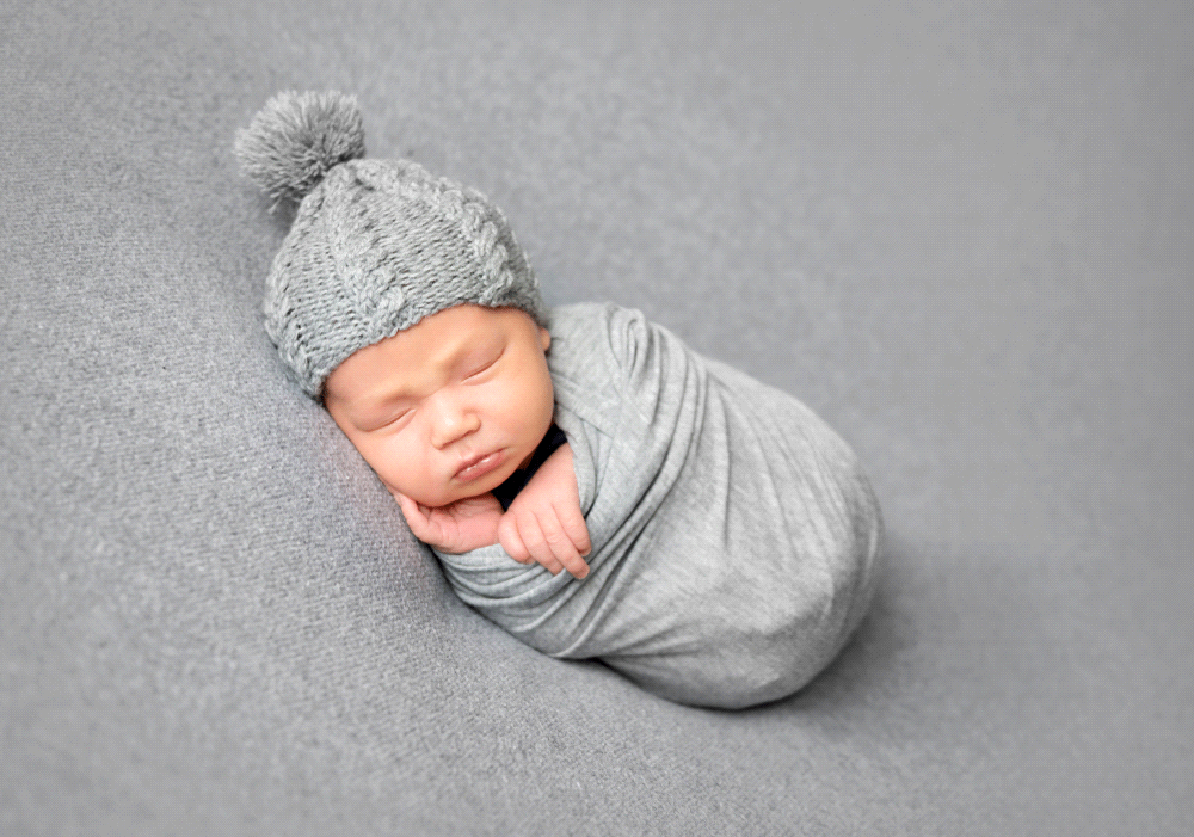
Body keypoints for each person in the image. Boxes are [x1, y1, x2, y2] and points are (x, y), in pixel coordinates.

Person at [236, 91, 883, 708]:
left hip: (819, 497)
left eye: (482, 365)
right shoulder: (453, 527)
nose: (454, 422)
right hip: (741, 666)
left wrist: (566, 467)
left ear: (537, 327)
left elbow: (648, 370)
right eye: (393, 415)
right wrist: (486, 545)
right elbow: (555, 622)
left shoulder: (605, 346)